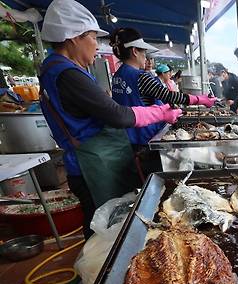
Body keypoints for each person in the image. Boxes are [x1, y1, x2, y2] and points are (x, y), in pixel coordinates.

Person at [38, 0, 182, 237]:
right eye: (94, 38)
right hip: (92, 164)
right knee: (102, 230)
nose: (97, 46)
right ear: (74, 37)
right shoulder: (67, 73)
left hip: (94, 158)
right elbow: (118, 115)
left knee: (102, 223)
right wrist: (161, 113)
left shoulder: (56, 68)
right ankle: (97, 272)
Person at [110, 28, 216, 178]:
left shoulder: (117, 76)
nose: (145, 58)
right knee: (155, 177)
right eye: (143, 53)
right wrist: (200, 99)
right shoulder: (140, 76)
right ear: (134, 51)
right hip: (146, 138)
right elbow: (169, 96)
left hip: (127, 138)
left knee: (140, 176)